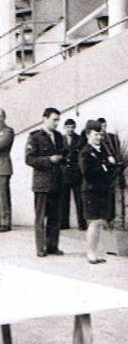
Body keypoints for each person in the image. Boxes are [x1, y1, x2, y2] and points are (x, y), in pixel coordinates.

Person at [25, 107, 65, 257]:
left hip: (57, 182)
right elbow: (29, 159)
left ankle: (53, 246)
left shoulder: (59, 136)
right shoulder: (35, 137)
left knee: (55, 217)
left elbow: (63, 154)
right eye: (54, 120)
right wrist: (49, 160)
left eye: (58, 120)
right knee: (41, 217)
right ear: (45, 118)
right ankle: (40, 248)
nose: (56, 123)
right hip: (42, 184)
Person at [79, 120, 117, 264]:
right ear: (88, 134)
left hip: (102, 190)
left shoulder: (102, 150)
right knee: (94, 222)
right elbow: (88, 173)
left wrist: (107, 166)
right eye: (96, 134)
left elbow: (112, 169)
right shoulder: (86, 152)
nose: (99, 137)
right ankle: (90, 253)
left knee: (99, 222)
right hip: (91, 191)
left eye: (100, 134)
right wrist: (106, 166)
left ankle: (93, 251)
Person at [60, 118, 87, 231]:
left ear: (74, 128)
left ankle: (82, 224)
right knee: (63, 200)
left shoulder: (79, 139)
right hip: (64, 173)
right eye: (68, 127)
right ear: (64, 128)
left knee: (79, 200)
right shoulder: (60, 139)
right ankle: (64, 224)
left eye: (72, 127)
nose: (70, 129)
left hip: (76, 173)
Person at [97, 117, 121, 222]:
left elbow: (118, 152)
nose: (103, 129)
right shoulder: (95, 139)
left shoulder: (112, 137)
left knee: (111, 194)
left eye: (105, 126)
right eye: (101, 127)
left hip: (111, 170)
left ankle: (110, 217)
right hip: (101, 169)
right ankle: (102, 217)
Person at [0, 109, 14, 232]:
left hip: (3, 167)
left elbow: (1, 145)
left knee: (3, 196)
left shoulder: (7, 131)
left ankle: (5, 222)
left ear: (3, 117)